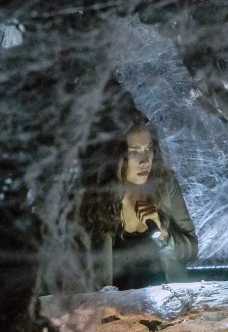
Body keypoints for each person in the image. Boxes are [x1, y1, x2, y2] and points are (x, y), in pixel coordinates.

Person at [82, 113, 197, 290]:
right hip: (113, 303)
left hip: (167, 300)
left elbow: (191, 251)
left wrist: (163, 233)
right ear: (113, 156)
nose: (145, 161)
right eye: (134, 152)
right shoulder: (95, 196)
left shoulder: (165, 185)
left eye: (148, 149)